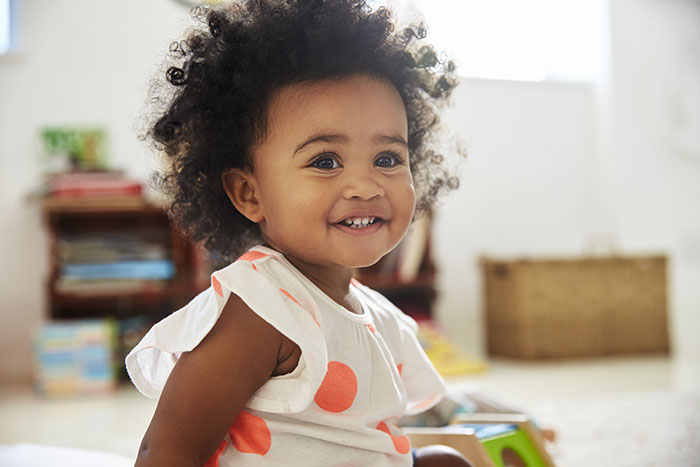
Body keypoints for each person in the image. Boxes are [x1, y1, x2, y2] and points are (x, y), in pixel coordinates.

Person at [126, 1, 468, 465]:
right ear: (249, 193)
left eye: (387, 159)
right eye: (325, 161)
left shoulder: (377, 315)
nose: (365, 186)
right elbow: (167, 451)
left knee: (446, 460)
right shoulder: (260, 309)